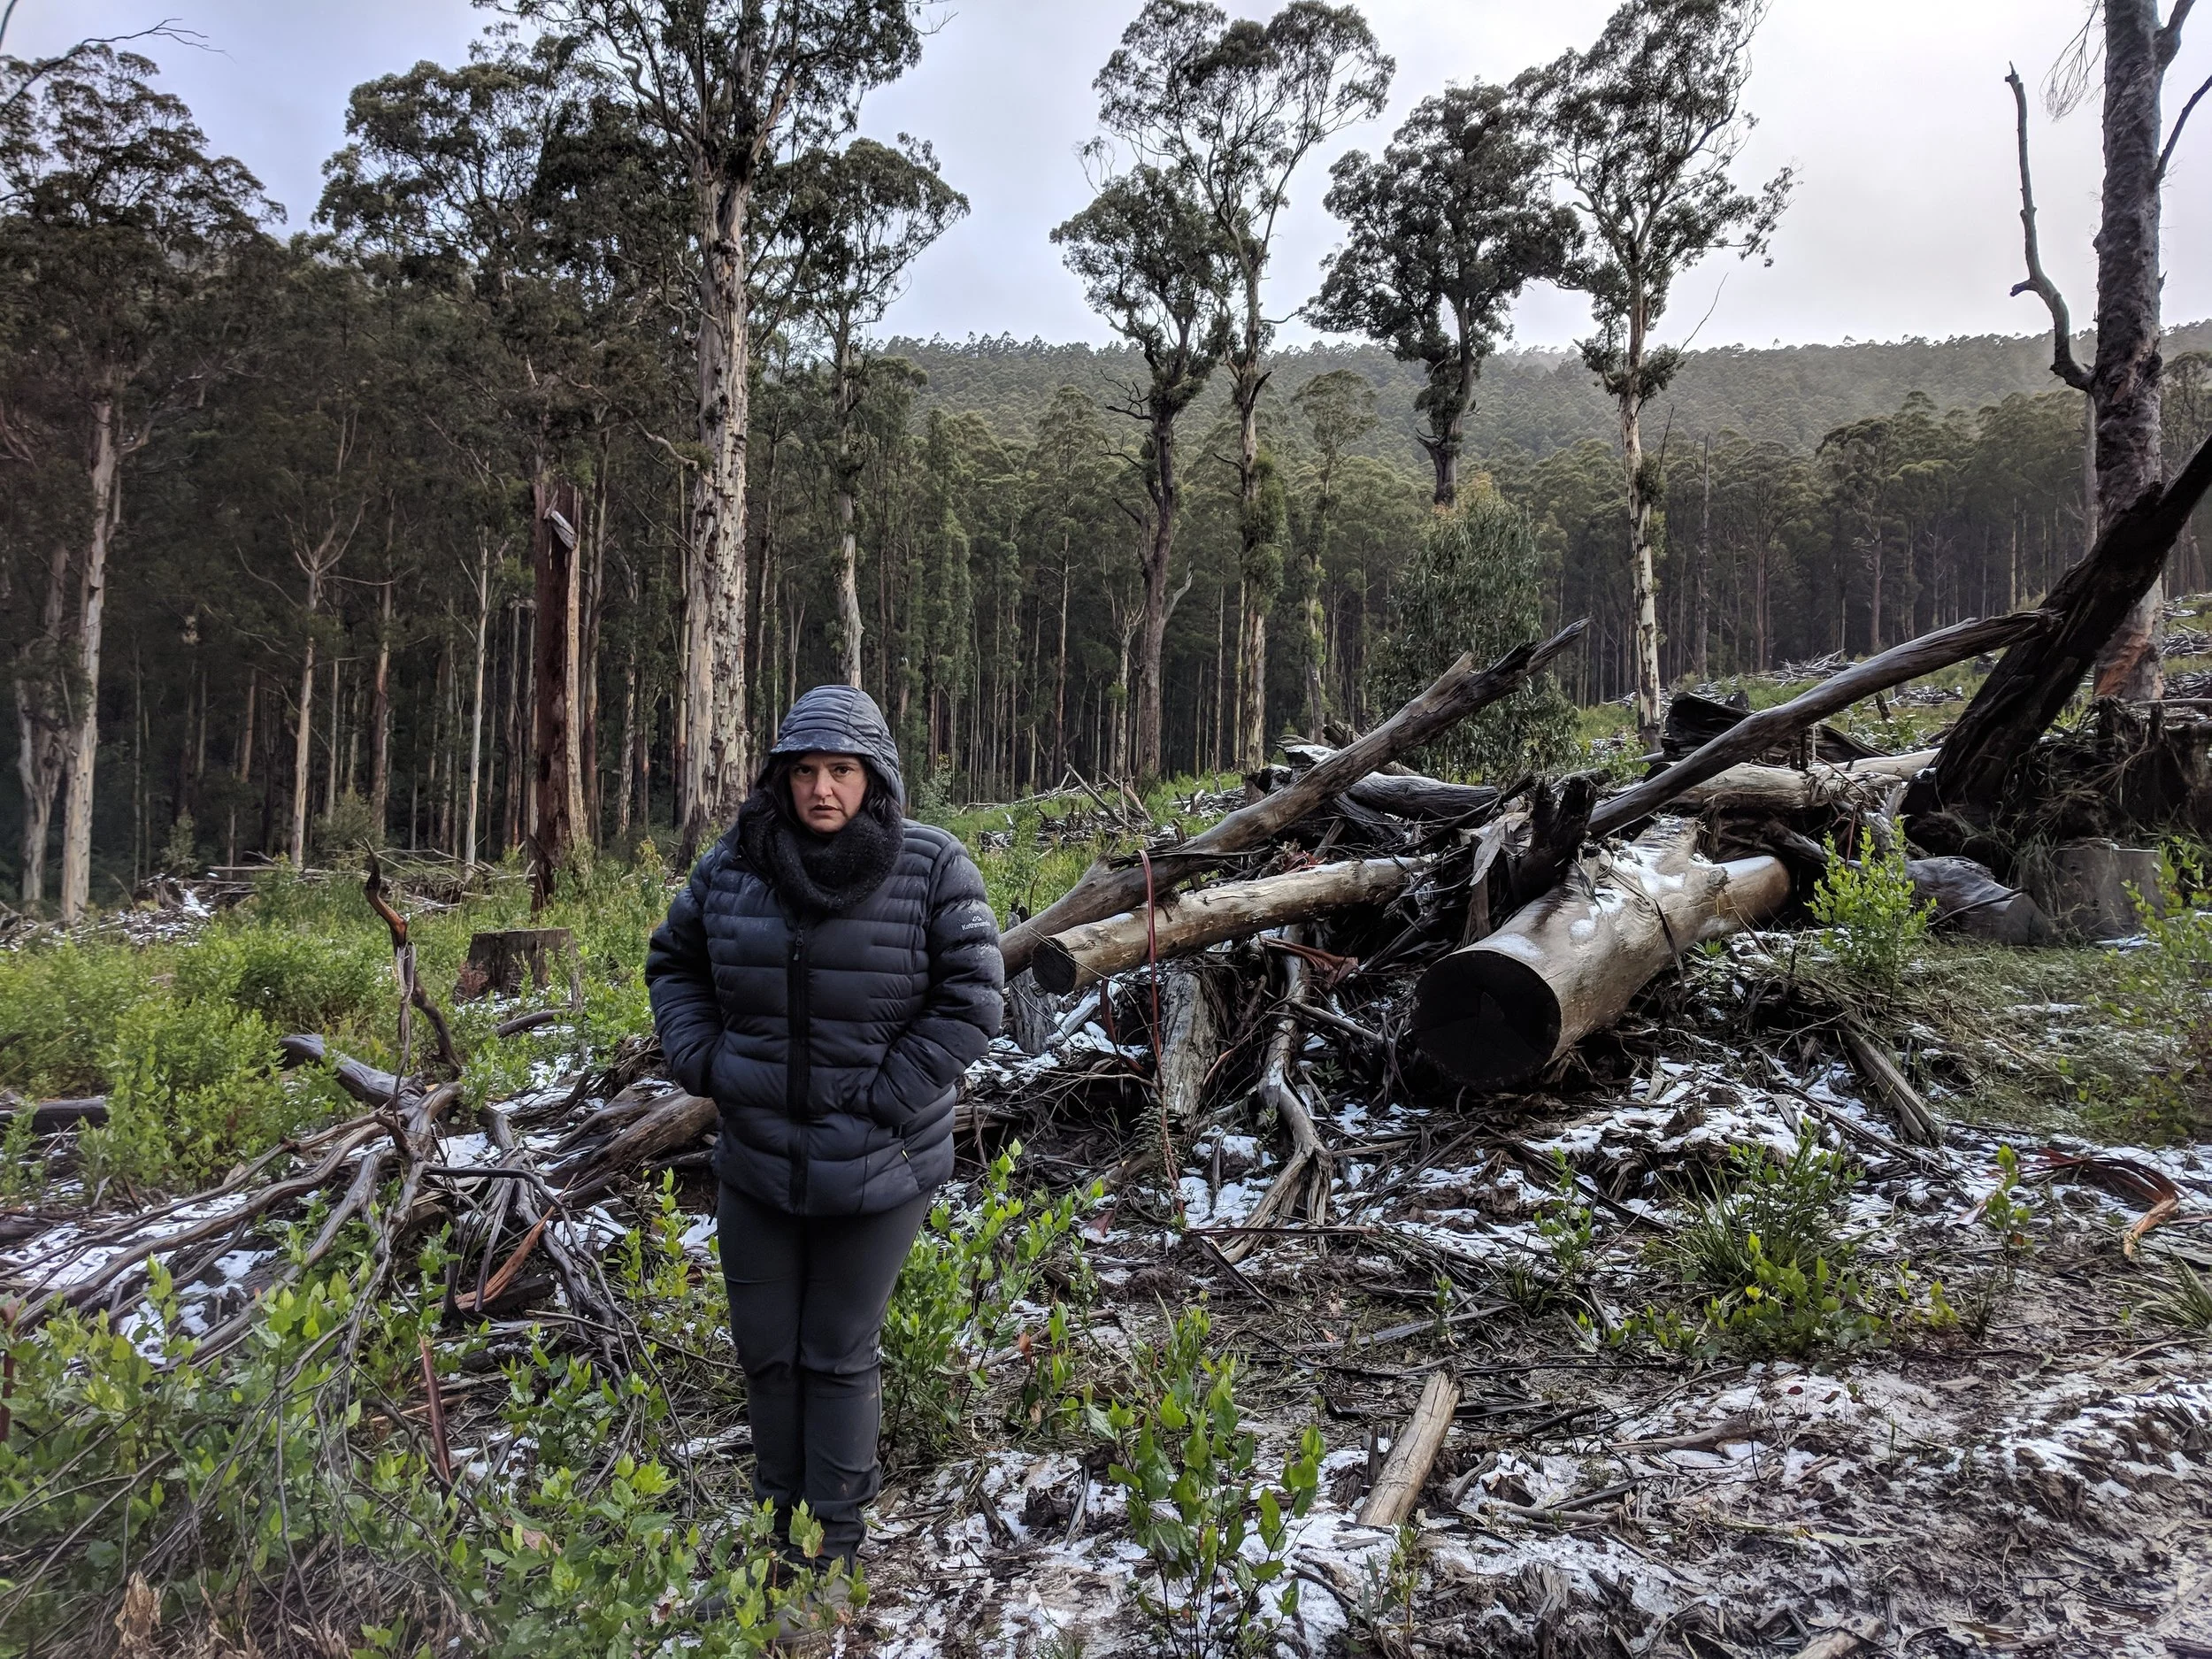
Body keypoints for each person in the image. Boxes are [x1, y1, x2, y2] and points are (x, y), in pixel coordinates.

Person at [645, 684, 1003, 1573]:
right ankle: (778, 1539)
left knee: (837, 1355)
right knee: (768, 1354)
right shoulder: (736, 863)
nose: (821, 790)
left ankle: (831, 1555)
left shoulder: (931, 865)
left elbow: (974, 998)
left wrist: (891, 1094)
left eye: (841, 771)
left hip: (881, 1164)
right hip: (759, 1158)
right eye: (804, 771)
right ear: (780, 780)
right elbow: (674, 961)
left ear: (873, 778)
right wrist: (707, 1062)